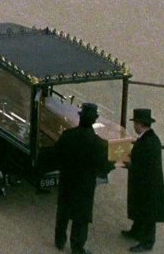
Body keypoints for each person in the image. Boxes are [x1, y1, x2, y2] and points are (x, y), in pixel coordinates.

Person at [54, 103, 113, 254]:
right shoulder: (97, 143)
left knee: (63, 211)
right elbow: (103, 166)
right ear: (94, 121)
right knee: (81, 217)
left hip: (67, 181)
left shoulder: (68, 135)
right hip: (84, 185)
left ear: (80, 118)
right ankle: (77, 246)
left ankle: (59, 241)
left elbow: (57, 154)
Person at [122, 108, 164, 252]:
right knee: (141, 209)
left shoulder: (147, 142)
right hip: (145, 182)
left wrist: (130, 164)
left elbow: (144, 165)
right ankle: (136, 231)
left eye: (135, 123)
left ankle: (147, 242)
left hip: (147, 184)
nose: (134, 126)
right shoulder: (149, 138)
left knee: (148, 214)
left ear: (139, 124)